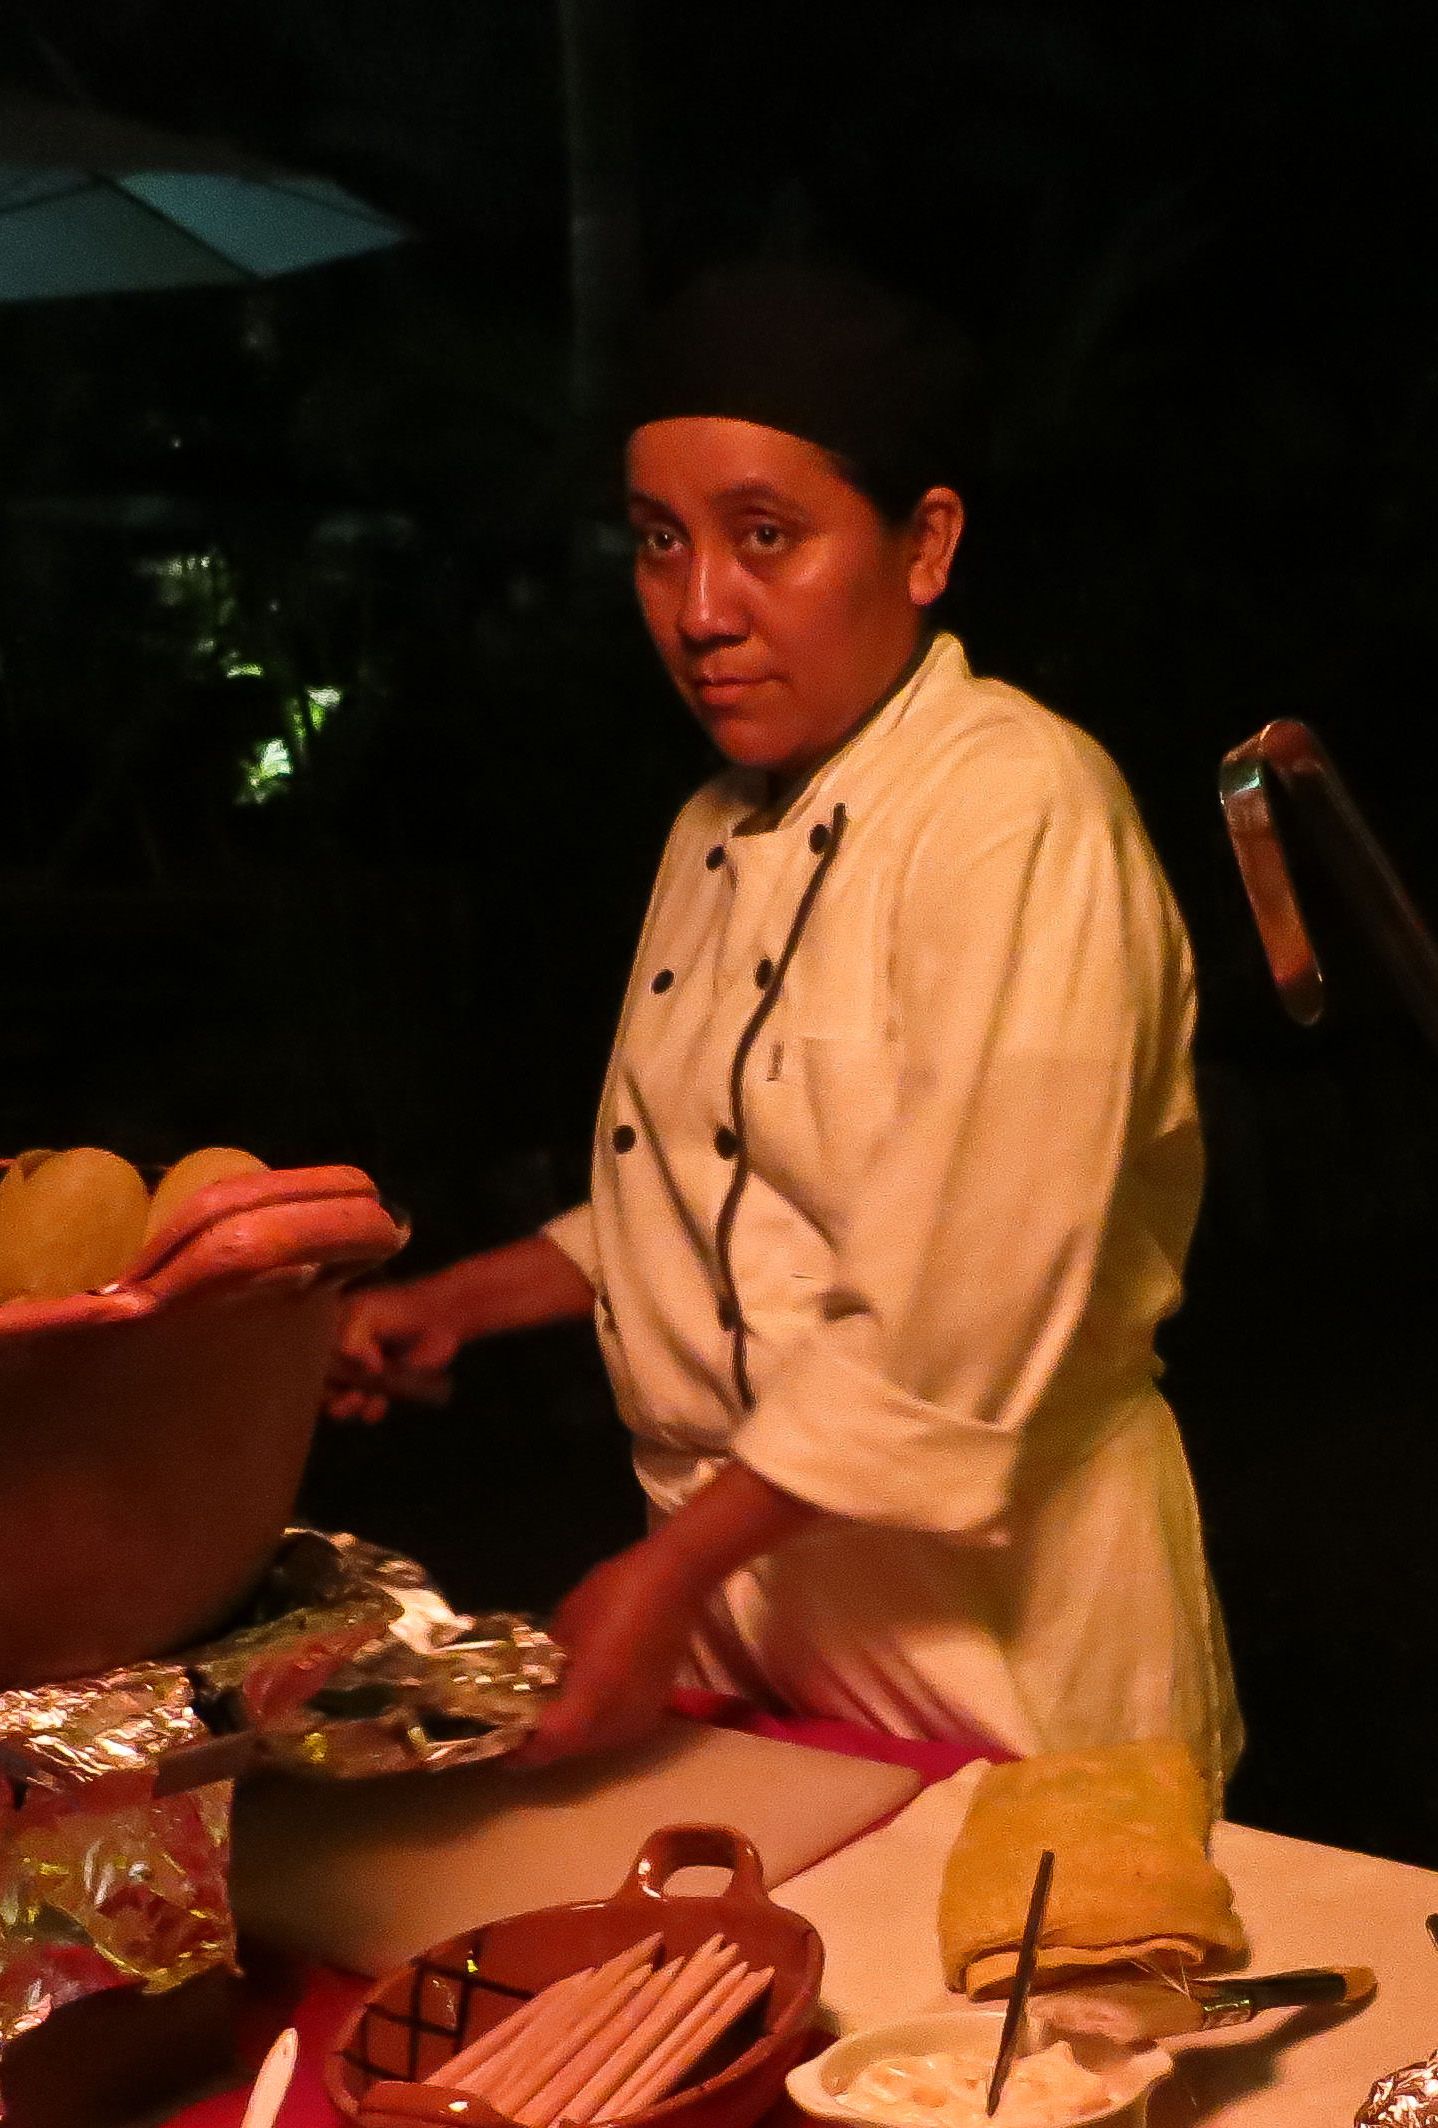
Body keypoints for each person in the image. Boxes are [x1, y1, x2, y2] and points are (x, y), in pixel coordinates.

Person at [330, 259, 1240, 1782]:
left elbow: (957, 1297)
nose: (701, 611)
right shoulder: (712, 825)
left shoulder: (1016, 809)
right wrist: (463, 1303)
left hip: (999, 1643)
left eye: (766, 537)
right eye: (660, 542)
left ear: (925, 543)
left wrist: (674, 1570)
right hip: (754, 1629)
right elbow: (725, 1178)